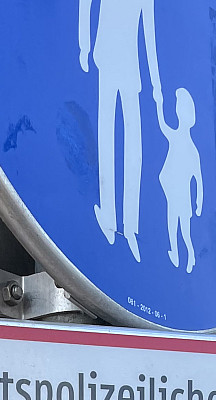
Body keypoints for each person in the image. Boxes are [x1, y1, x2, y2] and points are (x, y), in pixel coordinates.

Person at [79, 0, 162, 262]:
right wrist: (156, 85)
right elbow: (149, 35)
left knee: (111, 138)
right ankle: (127, 225)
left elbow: (149, 32)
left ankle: (115, 220)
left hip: (111, 60)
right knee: (131, 144)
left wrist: (85, 46)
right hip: (126, 67)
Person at [157, 87, 203, 272]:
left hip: (180, 195)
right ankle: (178, 253)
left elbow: (198, 180)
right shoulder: (189, 147)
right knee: (178, 226)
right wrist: (159, 103)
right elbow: (198, 181)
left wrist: (199, 203)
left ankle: (187, 254)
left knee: (180, 227)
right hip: (176, 193)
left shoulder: (185, 144)